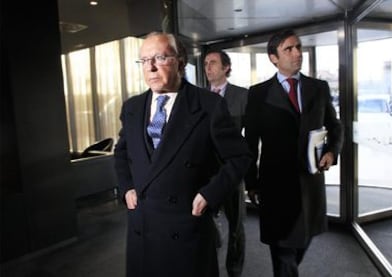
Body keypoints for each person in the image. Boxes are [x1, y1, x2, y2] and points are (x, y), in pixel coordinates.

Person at [113, 32, 251, 277]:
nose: (151, 67)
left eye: (159, 57)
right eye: (144, 60)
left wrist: (210, 194)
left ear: (180, 60)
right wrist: (126, 187)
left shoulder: (208, 105)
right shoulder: (132, 107)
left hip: (186, 227)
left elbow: (240, 157)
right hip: (142, 227)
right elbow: (122, 153)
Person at [244, 29, 344, 277]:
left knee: (302, 239)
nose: (297, 53)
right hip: (275, 183)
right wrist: (251, 183)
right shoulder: (258, 93)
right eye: (288, 49)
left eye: (298, 47)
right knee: (283, 250)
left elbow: (335, 126)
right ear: (273, 57)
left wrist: (332, 152)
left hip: (309, 182)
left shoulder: (318, 88)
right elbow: (250, 142)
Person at [204, 49, 248, 277]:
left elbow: (250, 138)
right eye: (205, 63)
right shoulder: (199, 97)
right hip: (206, 174)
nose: (208, 67)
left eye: (213, 63)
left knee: (236, 227)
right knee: (204, 224)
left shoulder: (242, 96)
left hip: (232, 173)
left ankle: (234, 271)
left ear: (226, 68)